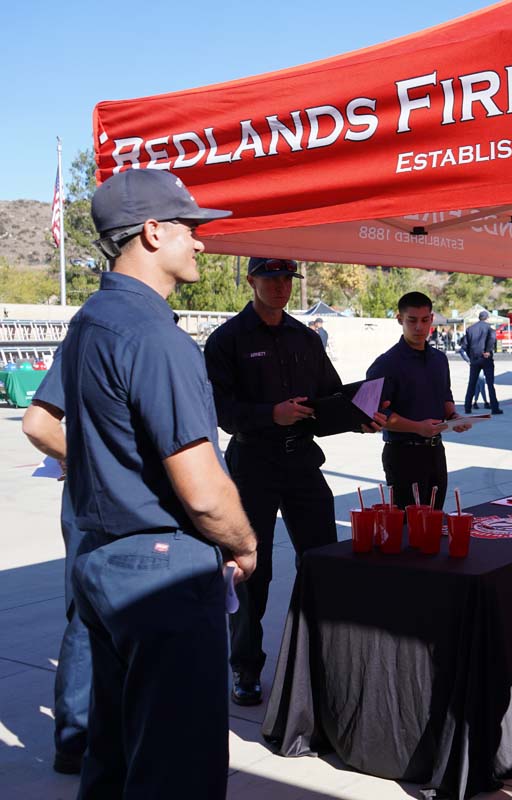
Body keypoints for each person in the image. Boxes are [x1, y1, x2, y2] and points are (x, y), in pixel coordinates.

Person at [60, 168, 258, 797]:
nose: (201, 243)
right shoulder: (154, 335)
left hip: (103, 559)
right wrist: (243, 543)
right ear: (151, 231)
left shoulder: (91, 321)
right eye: (190, 229)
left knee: (116, 754)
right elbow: (201, 487)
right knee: (177, 764)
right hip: (162, 568)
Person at [205, 256, 384, 707]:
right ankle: (246, 668)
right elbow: (220, 413)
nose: (281, 286)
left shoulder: (305, 337)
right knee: (250, 570)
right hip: (253, 466)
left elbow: (325, 402)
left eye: (287, 279)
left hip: (302, 462)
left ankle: (323, 659)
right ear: (251, 281)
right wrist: (271, 414)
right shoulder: (227, 340)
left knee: (323, 561)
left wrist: (357, 415)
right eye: (271, 278)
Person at [21, 357, 89, 775]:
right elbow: (38, 424)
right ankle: (77, 737)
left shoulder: (89, 334)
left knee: (88, 618)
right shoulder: (94, 333)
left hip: (95, 499)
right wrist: (87, 457)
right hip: (104, 501)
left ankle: (76, 739)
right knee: (88, 619)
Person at [368, 292, 472, 509]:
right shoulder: (386, 363)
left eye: (425, 320)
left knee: (434, 520)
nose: (419, 327)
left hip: (435, 452)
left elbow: (445, 395)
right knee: (409, 528)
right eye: (412, 320)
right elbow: (375, 414)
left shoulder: (439, 359)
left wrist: (454, 417)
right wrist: (417, 428)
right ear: (400, 320)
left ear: (432, 319)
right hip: (403, 455)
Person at [463, 310, 502, 414]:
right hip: (486, 359)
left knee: (472, 383)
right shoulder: (489, 328)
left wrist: (471, 356)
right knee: (490, 384)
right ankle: (495, 407)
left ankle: (467, 407)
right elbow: (493, 338)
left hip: (475, 359)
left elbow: (464, 345)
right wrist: (488, 350)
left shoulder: (470, 329)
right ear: (487, 318)